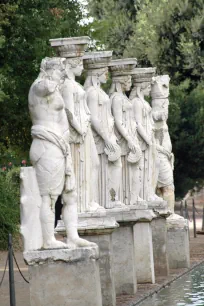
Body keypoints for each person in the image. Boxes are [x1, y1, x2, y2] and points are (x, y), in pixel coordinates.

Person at [29, 57, 95, 248]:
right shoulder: (39, 86)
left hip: (60, 148)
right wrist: (54, 76)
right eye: (60, 72)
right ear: (50, 71)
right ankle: (48, 240)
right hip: (46, 146)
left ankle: (72, 235)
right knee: (49, 196)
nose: (62, 76)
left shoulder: (54, 87)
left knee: (70, 194)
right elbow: (45, 87)